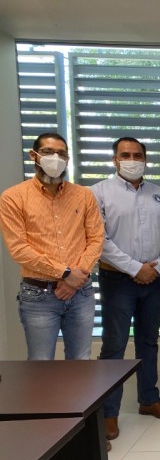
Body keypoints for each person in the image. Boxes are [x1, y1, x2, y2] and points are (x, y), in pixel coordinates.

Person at [91, 137, 160, 442]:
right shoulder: (99, 193)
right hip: (117, 281)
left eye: (137, 155)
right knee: (113, 346)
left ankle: (149, 399)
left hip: (154, 280)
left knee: (149, 342)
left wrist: (158, 266)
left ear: (145, 159)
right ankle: (108, 414)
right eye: (125, 155)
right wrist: (134, 268)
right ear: (115, 159)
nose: (132, 160)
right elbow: (99, 240)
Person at [0, 132, 103, 360]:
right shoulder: (13, 197)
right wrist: (65, 273)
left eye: (61, 154)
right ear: (34, 155)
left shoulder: (84, 195)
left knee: (80, 361)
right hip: (39, 296)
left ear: (67, 159)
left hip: (81, 294)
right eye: (48, 152)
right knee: (41, 363)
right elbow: (19, 249)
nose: (55, 158)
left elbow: (96, 239)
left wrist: (75, 279)